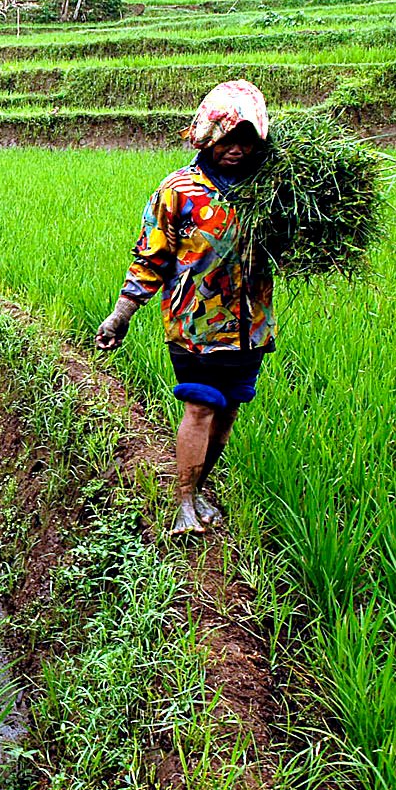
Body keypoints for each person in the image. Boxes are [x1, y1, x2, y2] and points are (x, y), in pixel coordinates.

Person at [95, 80, 276, 536]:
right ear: (207, 135)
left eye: (245, 141)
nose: (234, 150)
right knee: (200, 406)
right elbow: (151, 258)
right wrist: (121, 314)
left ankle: (199, 487)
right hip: (193, 325)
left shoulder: (270, 191)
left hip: (249, 326)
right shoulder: (179, 191)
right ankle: (184, 501)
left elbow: (293, 246)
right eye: (227, 138)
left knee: (229, 411)